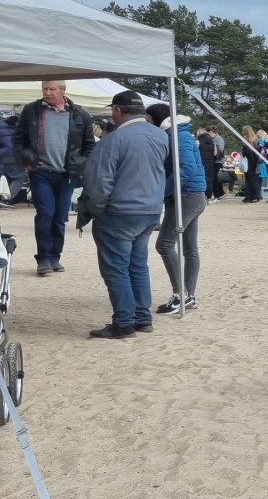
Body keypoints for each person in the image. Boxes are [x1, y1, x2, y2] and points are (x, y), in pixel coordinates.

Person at [81, 90, 170, 338]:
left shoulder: (113, 139)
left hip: (120, 211)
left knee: (117, 269)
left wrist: (95, 210)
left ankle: (123, 323)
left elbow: (98, 181)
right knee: (138, 265)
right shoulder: (160, 135)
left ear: (118, 111)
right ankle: (142, 318)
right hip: (150, 210)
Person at [13, 79, 96, 275]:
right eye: (45, 88)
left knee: (59, 217)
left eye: (52, 89)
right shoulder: (32, 110)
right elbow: (18, 139)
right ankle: (43, 258)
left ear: (63, 90)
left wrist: (79, 163)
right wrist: (26, 160)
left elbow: (89, 145)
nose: (47, 92)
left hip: (67, 174)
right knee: (45, 213)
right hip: (40, 172)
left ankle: (55, 257)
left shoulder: (80, 115)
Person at [145, 103, 207, 315]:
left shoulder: (177, 136)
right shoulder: (177, 134)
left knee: (164, 245)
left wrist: (162, 191)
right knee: (189, 249)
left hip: (186, 195)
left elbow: (187, 169)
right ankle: (188, 296)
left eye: (148, 119)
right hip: (192, 195)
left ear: (157, 119)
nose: (147, 123)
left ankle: (181, 294)